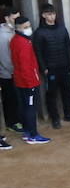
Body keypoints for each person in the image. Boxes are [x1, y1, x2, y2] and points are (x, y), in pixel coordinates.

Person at [32, 4, 70, 131]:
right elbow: (38, 53)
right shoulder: (39, 33)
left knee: (67, 91)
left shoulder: (62, 29)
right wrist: (44, 68)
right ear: (43, 15)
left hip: (64, 66)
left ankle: (68, 114)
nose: (51, 16)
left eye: (53, 13)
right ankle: (55, 118)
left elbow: (68, 47)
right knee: (51, 94)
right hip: (50, 69)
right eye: (48, 14)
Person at [9, 15, 46, 144]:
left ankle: (27, 132)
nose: (29, 29)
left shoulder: (15, 40)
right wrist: (31, 83)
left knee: (24, 107)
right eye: (26, 27)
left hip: (20, 81)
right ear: (19, 28)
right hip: (28, 82)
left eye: (29, 26)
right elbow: (25, 66)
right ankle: (33, 135)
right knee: (30, 108)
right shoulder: (23, 43)